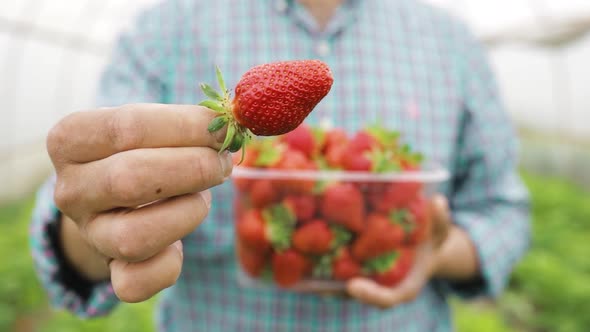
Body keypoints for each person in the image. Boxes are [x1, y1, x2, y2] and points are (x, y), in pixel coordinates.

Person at [30, 0, 530, 331]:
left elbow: (503, 210)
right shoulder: (167, 26)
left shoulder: (452, 42)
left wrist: (434, 251)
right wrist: (94, 226)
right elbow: (82, 205)